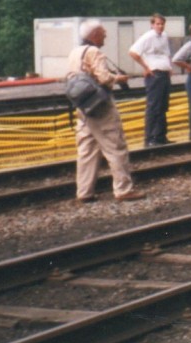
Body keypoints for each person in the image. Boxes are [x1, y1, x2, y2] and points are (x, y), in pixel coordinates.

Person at [67, 20, 145, 202]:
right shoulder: (94, 52)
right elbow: (103, 77)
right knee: (115, 147)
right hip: (101, 108)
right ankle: (123, 190)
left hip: (84, 108)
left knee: (87, 150)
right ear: (94, 35)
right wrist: (119, 78)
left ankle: (84, 192)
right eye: (103, 32)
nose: (105, 35)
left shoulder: (74, 52)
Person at [129, 13, 173, 146]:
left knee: (163, 106)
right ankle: (150, 138)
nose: (160, 26)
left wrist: (169, 67)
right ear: (152, 25)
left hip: (164, 73)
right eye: (157, 24)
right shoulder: (148, 37)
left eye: (162, 24)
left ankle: (160, 136)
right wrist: (145, 67)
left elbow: (166, 53)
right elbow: (133, 52)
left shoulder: (164, 36)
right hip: (155, 74)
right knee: (154, 106)